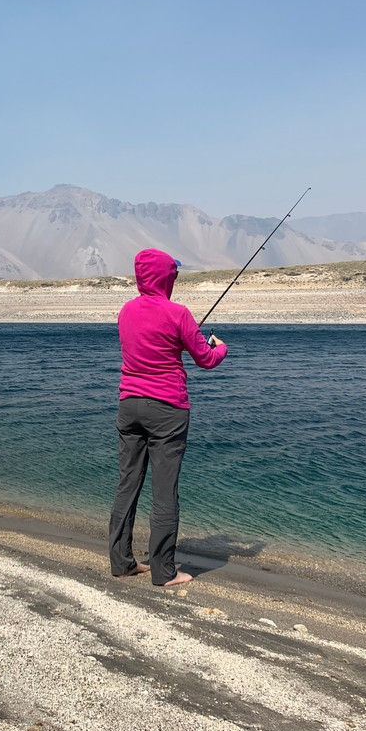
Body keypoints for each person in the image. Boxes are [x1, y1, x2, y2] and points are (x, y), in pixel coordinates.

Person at [109, 249, 227, 586]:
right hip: (167, 410)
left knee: (126, 485)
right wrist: (221, 347)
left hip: (128, 405)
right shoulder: (178, 313)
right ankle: (163, 572)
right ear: (166, 277)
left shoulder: (125, 312)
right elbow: (205, 359)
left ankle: (122, 563)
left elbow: (147, 347)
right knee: (164, 493)